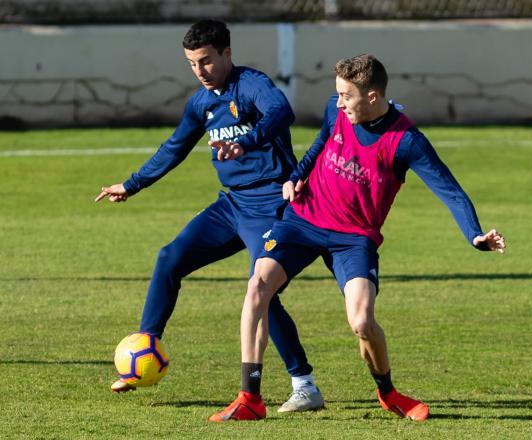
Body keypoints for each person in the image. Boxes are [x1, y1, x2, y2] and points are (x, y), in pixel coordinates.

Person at [209, 54, 506, 422]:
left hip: (353, 238)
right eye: (337, 94)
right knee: (258, 286)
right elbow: (320, 144)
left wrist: (475, 235)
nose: (338, 103)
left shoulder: (406, 140)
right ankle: (250, 397)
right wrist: (297, 175)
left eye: (346, 96)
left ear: (371, 97)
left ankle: (388, 393)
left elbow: (450, 191)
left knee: (362, 322)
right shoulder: (336, 112)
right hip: (302, 221)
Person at [94, 20, 324, 412]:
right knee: (170, 257)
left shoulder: (251, 84)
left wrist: (246, 141)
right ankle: (143, 351)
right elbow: (175, 147)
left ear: (226, 54)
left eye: (206, 61)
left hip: (272, 204)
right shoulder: (201, 103)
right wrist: (132, 184)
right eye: (192, 64)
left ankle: (304, 385)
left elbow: (282, 111)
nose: (200, 71)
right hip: (233, 205)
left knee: (262, 291)